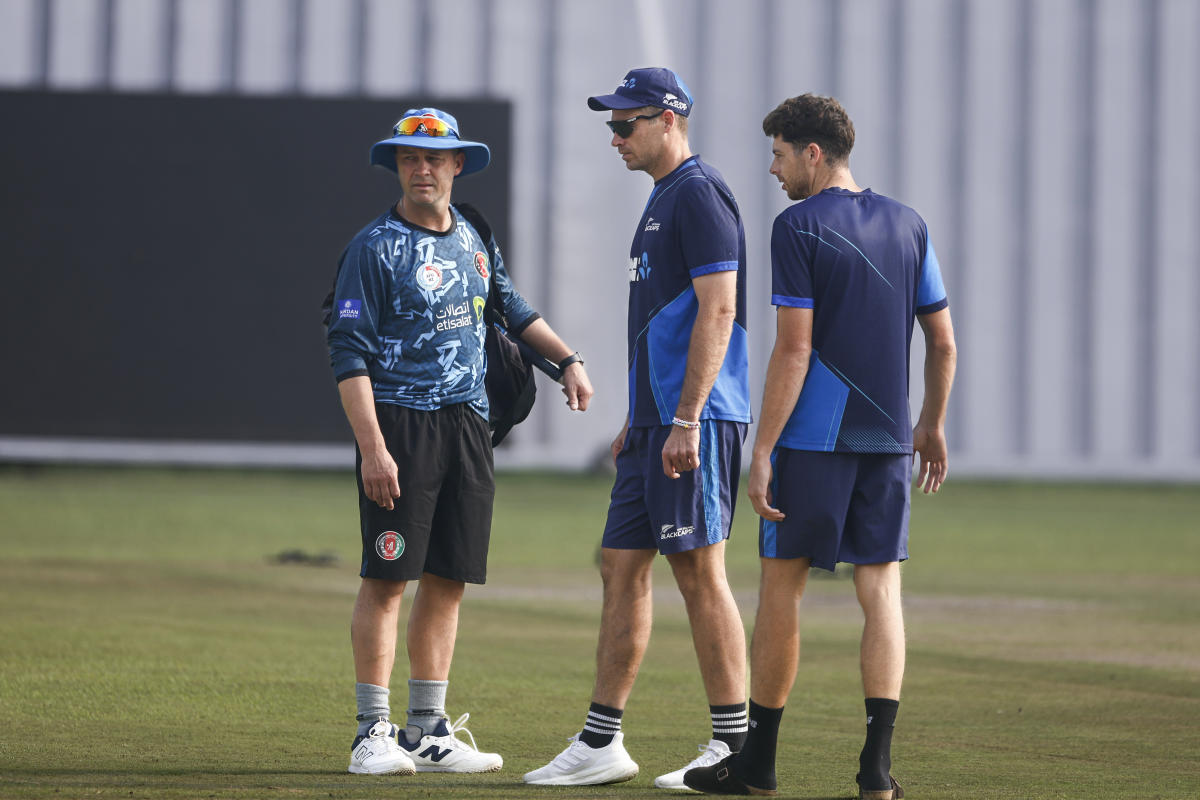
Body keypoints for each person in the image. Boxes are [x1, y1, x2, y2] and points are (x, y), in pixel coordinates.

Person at [682, 94, 957, 799]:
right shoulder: (910, 224)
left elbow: (794, 351)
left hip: (812, 441)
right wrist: (931, 423)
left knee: (782, 589)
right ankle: (876, 771)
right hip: (889, 442)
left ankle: (760, 765)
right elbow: (944, 340)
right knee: (881, 590)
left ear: (812, 153)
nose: (771, 169)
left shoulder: (797, 227)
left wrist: (764, 448)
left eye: (778, 154)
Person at [325, 107, 594, 776]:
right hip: (401, 426)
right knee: (388, 578)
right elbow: (348, 354)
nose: (422, 168)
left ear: (457, 165)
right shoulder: (372, 248)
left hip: (468, 426)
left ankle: (426, 730)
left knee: (448, 579)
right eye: (409, 158)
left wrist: (567, 362)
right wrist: (375, 448)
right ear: (397, 167)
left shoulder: (472, 237)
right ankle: (370, 733)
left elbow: (510, 306)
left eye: (435, 158)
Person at [524, 67, 753, 790]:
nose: (615, 137)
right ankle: (601, 742)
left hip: (697, 422)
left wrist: (685, 416)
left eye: (626, 124)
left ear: (668, 119)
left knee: (698, 571)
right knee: (619, 564)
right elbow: (666, 326)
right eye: (611, 126)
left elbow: (719, 313)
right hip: (654, 425)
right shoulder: (662, 198)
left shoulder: (699, 194)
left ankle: (736, 745)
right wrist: (639, 419)